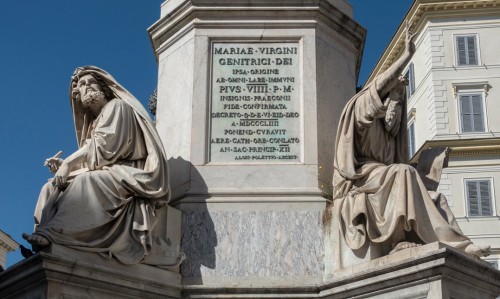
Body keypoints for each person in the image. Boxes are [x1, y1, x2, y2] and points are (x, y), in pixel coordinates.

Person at [331, 22, 490, 258]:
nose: (398, 105)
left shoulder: (391, 132)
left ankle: (460, 246)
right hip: (359, 177)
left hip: (380, 177)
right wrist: (406, 56)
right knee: (402, 173)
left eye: (401, 100)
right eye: (395, 97)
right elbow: (378, 87)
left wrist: (430, 163)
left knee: (436, 197)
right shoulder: (364, 111)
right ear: (383, 98)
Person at [23, 66, 171, 265]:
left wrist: (69, 163)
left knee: (85, 183)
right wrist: (65, 166)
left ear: (103, 87)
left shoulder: (117, 106)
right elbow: (94, 155)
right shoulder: (95, 121)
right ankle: (45, 236)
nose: (86, 87)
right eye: (81, 85)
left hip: (129, 171)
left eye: (90, 82)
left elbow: (105, 148)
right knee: (49, 188)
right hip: (110, 169)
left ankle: (55, 233)